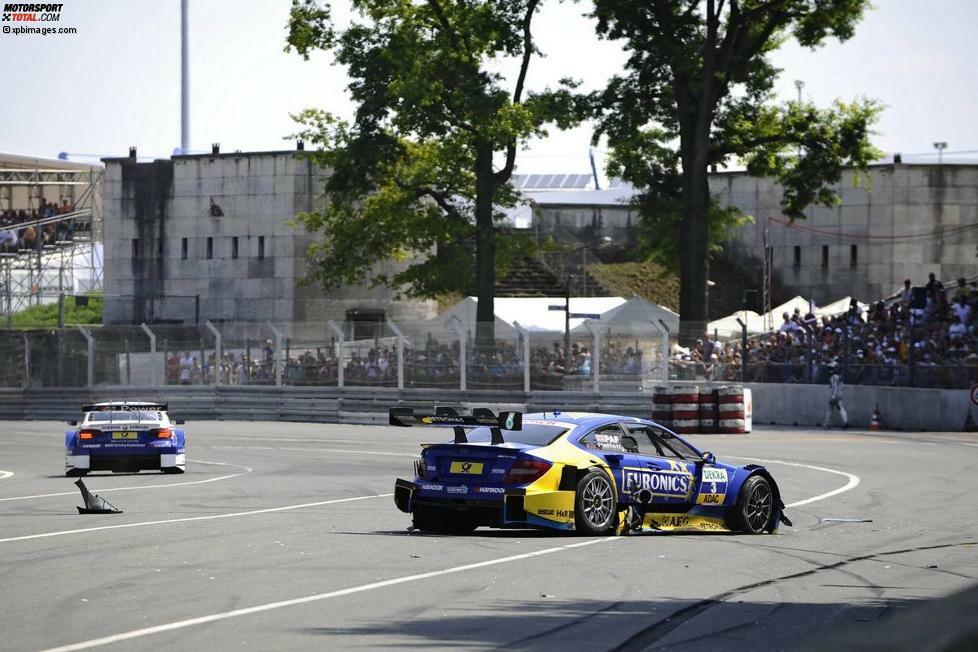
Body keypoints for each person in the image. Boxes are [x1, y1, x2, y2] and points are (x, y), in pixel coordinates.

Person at [824, 363, 848, 429]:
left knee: (830, 409)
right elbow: (842, 386)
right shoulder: (839, 377)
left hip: (835, 394)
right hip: (840, 394)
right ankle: (845, 421)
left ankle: (827, 423)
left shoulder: (834, 377)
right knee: (841, 408)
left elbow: (834, 387)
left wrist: (833, 396)